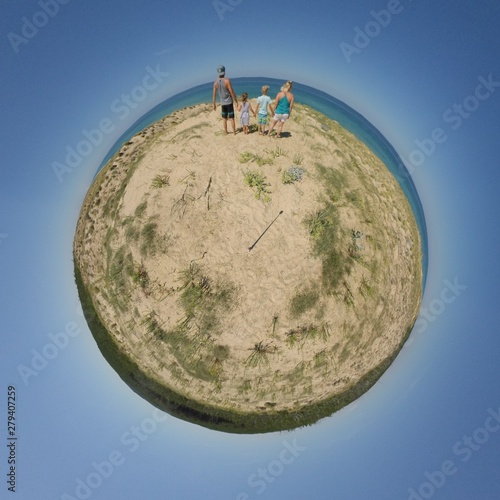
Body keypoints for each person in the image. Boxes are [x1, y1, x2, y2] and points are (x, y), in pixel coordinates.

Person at [212, 65, 238, 135]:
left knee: (224, 118)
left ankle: (226, 132)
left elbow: (214, 95)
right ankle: (234, 132)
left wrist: (214, 104)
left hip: (223, 103)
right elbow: (231, 91)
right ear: (224, 72)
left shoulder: (215, 83)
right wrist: (236, 101)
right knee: (232, 118)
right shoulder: (227, 80)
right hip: (229, 102)